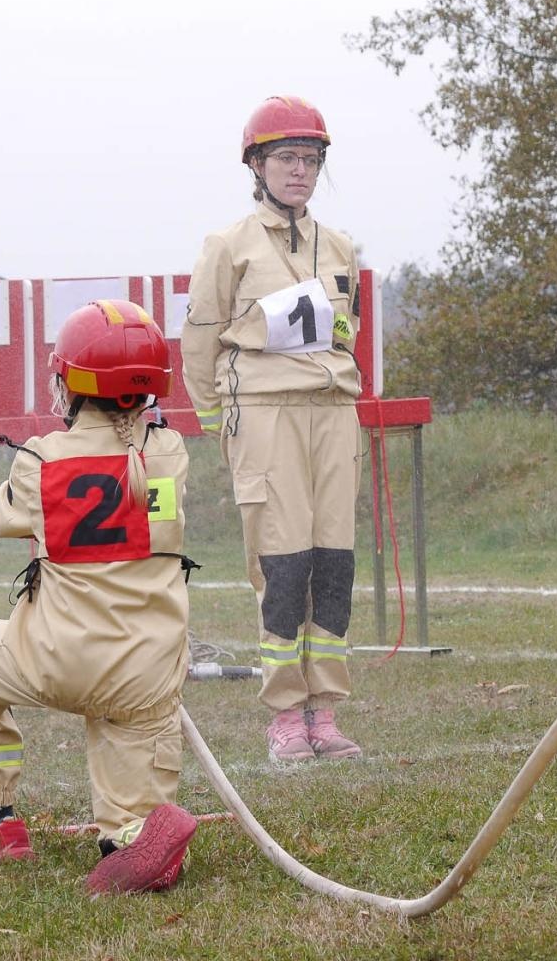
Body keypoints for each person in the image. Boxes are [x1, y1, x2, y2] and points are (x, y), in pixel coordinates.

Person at [0, 299, 199, 895]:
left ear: (75, 383)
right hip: (147, 675)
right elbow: (150, 509)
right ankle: (132, 839)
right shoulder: (167, 456)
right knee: (131, 816)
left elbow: (0, 516)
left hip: (58, 661)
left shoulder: (40, 460)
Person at [182, 95, 365, 764]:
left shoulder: (340, 245)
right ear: (256, 165)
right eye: (287, 157)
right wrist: (217, 420)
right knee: (283, 564)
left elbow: (349, 332)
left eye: (311, 159)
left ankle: (328, 710)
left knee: (334, 564)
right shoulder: (227, 246)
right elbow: (198, 340)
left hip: (332, 415)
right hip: (262, 415)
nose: (300, 170)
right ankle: (286, 715)